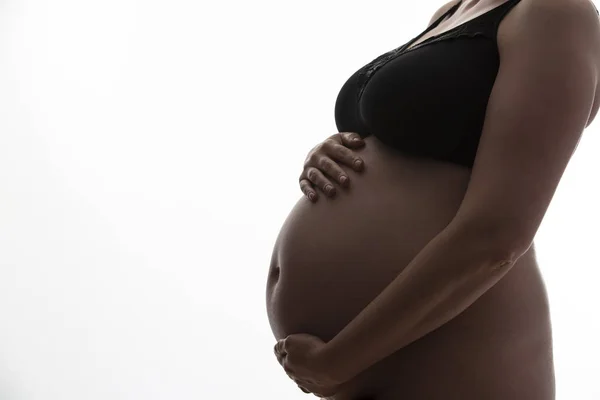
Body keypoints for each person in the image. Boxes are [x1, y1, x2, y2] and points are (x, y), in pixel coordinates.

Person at [266, 0, 600, 398]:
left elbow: (497, 236)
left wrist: (339, 361)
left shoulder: (557, 12)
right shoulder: (451, 13)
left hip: (455, 356)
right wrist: (331, 151)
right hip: (363, 365)